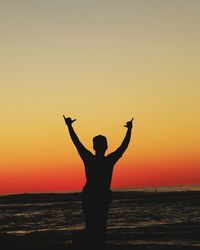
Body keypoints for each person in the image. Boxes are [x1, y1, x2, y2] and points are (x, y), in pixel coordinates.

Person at [63, 116, 133, 249]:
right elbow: (124, 146)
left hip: (91, 197)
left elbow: (76, 142)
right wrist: (129, 130)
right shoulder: (108, 160)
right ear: (106, 146)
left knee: (93, 226)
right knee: (99, 227)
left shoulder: (90, 158)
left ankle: (87, 243)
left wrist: (69, 126)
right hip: (96, 197)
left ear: (94, 146)